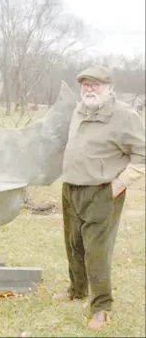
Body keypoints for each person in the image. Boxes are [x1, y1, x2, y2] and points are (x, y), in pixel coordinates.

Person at [53, 65, 145, 330]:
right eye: (85, 84)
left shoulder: (124, 116)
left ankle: (102, 306)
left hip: (102, 191)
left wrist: (118, 185)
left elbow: (142, 154)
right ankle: (77, 289)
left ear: (110, 88)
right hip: (71, 187)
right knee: (74, 244)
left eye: (96, 84)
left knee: (97, 251)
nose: (89, 89)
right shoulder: (79, 110)